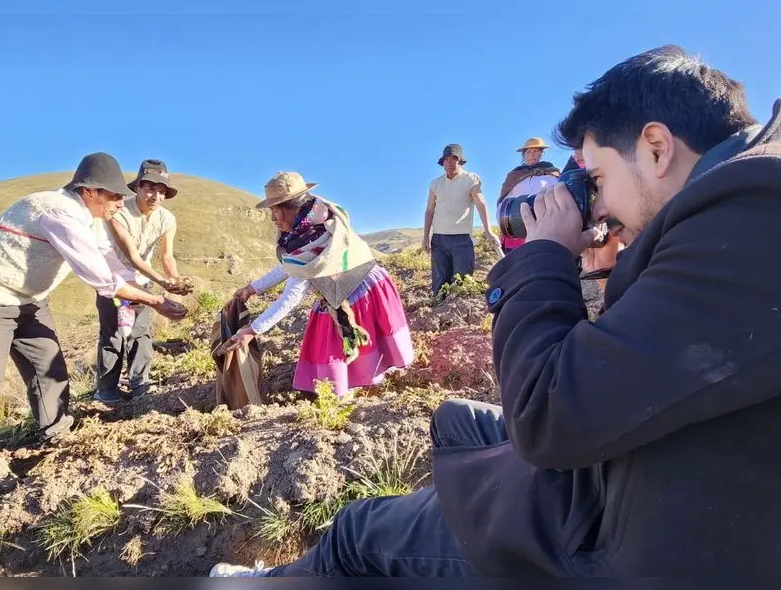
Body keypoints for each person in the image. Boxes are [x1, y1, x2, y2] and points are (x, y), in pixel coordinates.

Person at [211, 44, 781, 577]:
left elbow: (545, 416)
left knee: (356, 534)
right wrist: (615, 268)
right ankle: (447, 520)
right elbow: (650, 360)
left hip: (631, 540)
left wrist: (542, 258)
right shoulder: (727, 218)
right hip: (639, 470)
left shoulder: (751, 218)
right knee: (455, 420)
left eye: (598, 178)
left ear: (657, 148)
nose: (599, 203)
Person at [0, 152, 188, 504]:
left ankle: (57, 430)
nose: (118, 203)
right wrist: (154, 302)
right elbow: (98, 277)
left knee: (48, 367)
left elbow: (112, 265)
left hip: (29, 300)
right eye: (113, 196)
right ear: (90, 191)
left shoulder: (91, 220)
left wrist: (143, 292)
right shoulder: (58, 213)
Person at [223, 171, 414, 399]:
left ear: (293, 207)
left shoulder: (314, 238)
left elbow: (290, 298)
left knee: (339, 343)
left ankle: (354, 390)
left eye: (275, 210)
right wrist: (252, 288)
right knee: (330, 337)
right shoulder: (308, 226)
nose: (273, 218)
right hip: (345, 288)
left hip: (361, 291)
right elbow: (289, 266)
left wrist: (253, 330)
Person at [92, 159, 191, 404]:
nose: (155, 196)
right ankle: (107, 391)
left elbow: (166, 256)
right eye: (149, 188)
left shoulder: (166, 219)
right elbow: (132, 256)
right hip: (113, 280)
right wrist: (163, 283)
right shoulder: (119, 211)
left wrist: (174, 279)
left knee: (141, 333)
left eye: (161, 191)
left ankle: (140, 386)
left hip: (142, 281)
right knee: (113, 335)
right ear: (137, 187)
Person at [422, 144, 500, 299]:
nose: (450, 163)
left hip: (462, 238)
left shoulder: (471, 179)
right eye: (446, 159)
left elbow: (480, 203)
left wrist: (488, 230)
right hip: (439, 239)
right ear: (442, 162)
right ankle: (438, 314)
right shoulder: (435, 184)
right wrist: (425, 236)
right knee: (439, 282)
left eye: (454, 159)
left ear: (460, 161)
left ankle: (459, 315)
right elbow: (429, 211)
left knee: (462, 281)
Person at [496, 137, 561, 254]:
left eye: (536, 151)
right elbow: (503, 201)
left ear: (541, 154)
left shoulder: (551, 175)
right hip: (517, 227)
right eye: (529, 152)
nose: (532, 155)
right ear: (524, 155)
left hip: (544, 226)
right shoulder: (514, 176)